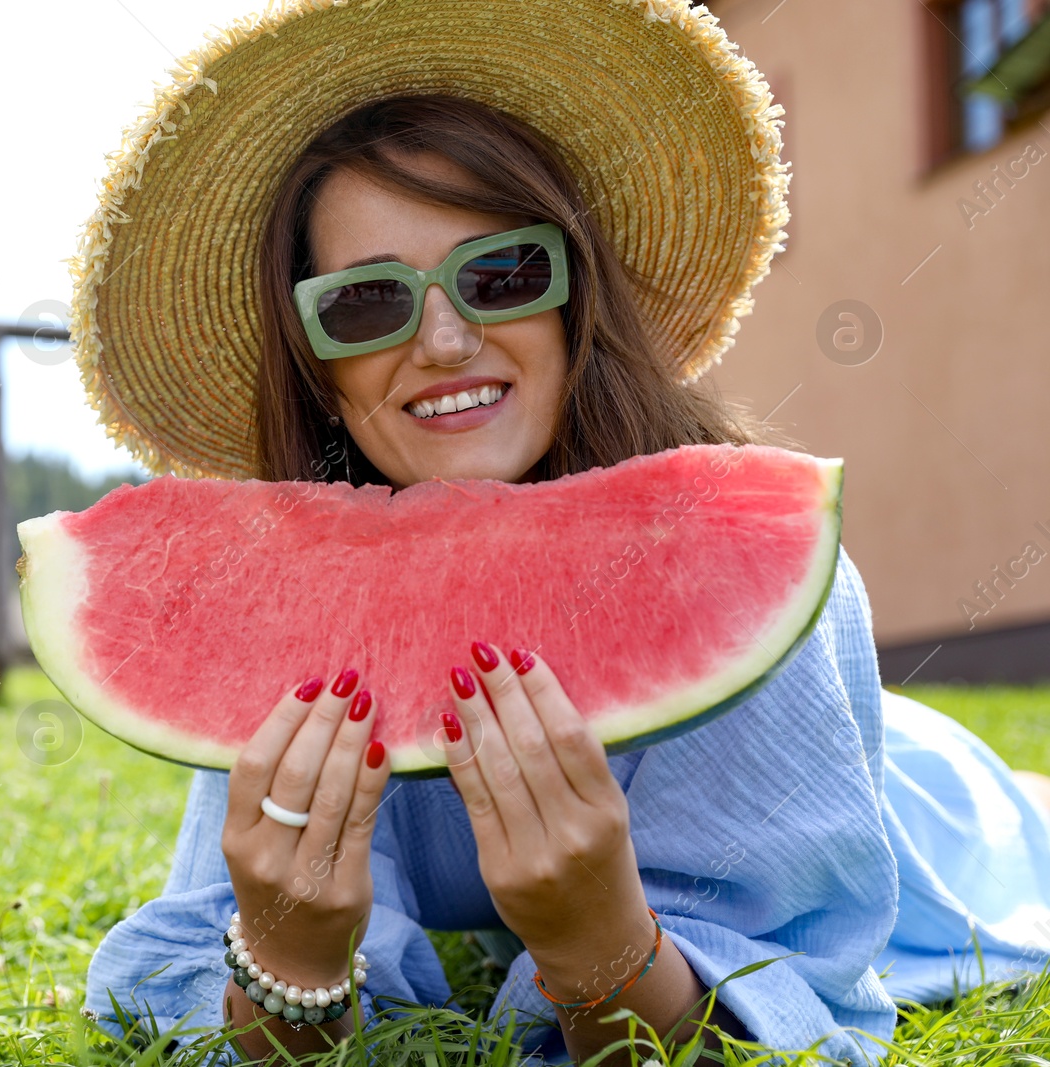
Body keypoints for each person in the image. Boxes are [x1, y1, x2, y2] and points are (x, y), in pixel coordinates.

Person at [66, 1, 1050, 1062]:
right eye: (364, 305)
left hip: (928, 821)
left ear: (573, 295)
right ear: (316, 361)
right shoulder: (294, 604)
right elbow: (210, 964)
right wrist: (293, 960)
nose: (444, 339)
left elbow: (785, 1000)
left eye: (502, 275)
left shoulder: (744, 582)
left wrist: (600, 945)